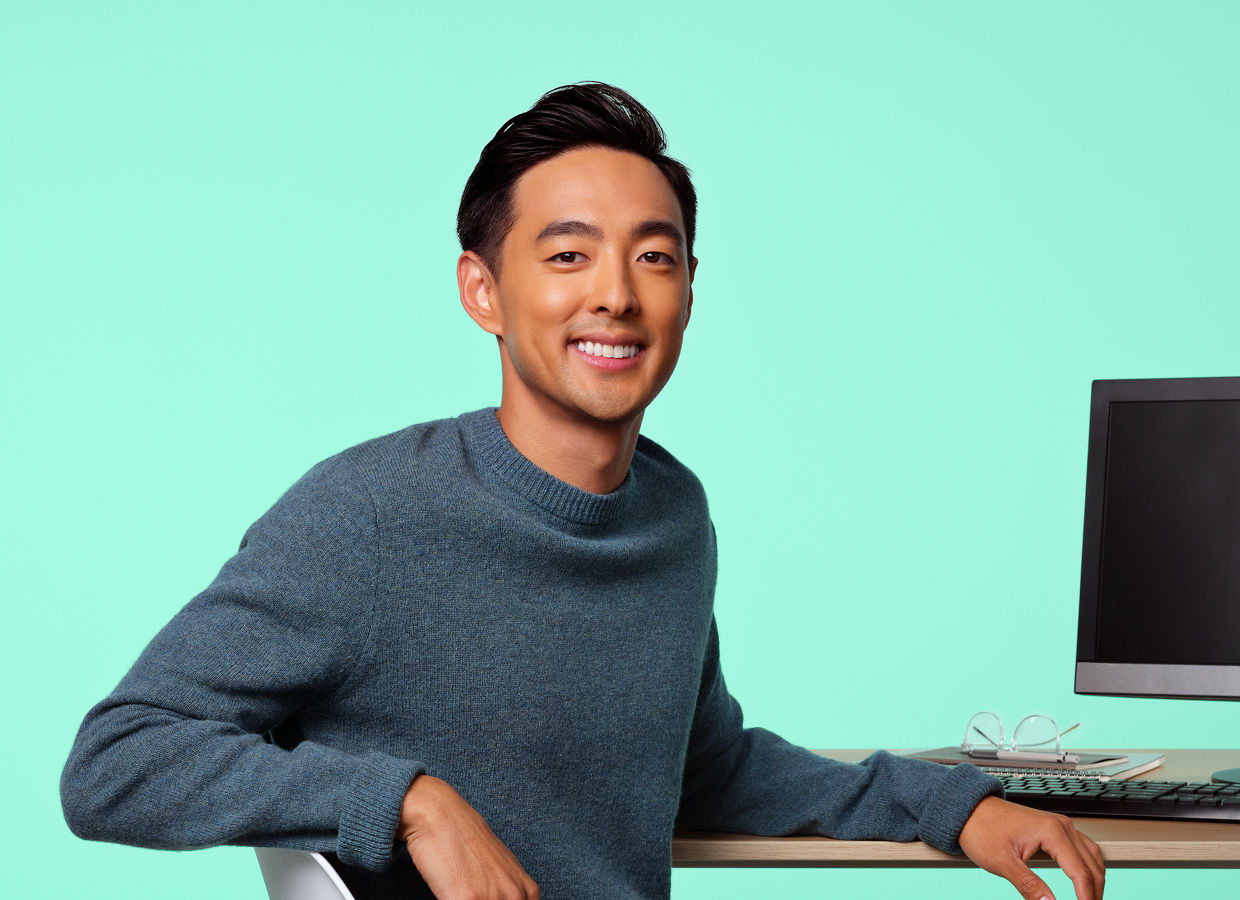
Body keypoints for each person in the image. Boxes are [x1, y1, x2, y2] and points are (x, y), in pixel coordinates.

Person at [61, 82, 1105, 900]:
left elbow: (703, 773)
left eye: (653, 257)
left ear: (689, 289)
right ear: (484, 291)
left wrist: (955, 807)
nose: (614, 291)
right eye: (567, 254)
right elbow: (116, 762)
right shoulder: (369, 514)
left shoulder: (672, 517)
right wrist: (409, 802)